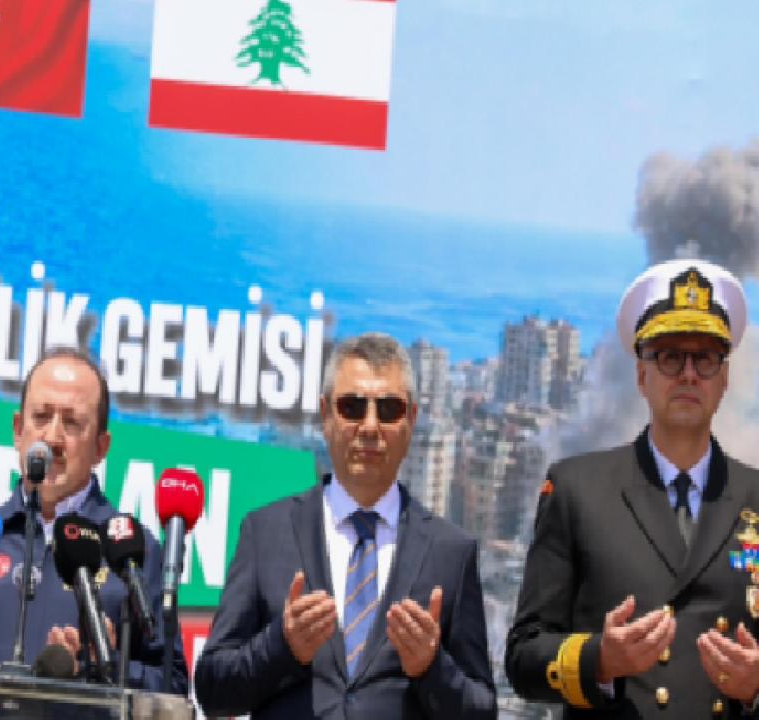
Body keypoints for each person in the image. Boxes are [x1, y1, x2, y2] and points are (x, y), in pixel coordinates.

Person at [195, 332, 495, 718]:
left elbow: (482, 710)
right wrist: (281, 646)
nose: (369, 427)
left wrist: (432, 667)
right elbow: (212, 691)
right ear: (326, 415)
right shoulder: (265, 532)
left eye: (388, 410)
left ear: (411, 420)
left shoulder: (451, 552)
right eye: (352, 407)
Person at [507, 259, 759, 718]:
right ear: (642, 375)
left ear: (724, 379)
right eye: (669, 356)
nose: (688, 374)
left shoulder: (755, 497)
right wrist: (600, 660)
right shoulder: (577, 490)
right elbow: (523, 657)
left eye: (705, 358)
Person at [0, 347, 189, 693]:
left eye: (72, 423)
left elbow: (173, 685)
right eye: (41, 417)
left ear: (101, 447)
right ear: (18, 430)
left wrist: (106, 664)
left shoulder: (131, 548)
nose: (52, 438)